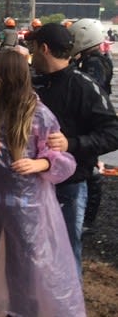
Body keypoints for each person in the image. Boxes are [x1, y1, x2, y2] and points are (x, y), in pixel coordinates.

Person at [0, 49, 85, 317]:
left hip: (26, 208)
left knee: (23, 270)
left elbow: (61, 159)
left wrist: (39, 163)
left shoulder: (39, 114)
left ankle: (19, 312)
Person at [19, 23, 118, 277]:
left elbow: (112, 133)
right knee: (30, 251)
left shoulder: (84, 86)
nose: (30, 54)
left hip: (68, 187)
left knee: (64, 252)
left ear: (44, 49)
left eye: (33, 47)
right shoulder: (34, 83)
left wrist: (71, 144)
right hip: (31, 183)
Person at [69, 19, 114, 232]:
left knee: (91, 168)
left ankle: (88, 220)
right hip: (93, 116)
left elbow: (90, 88)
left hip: (91, 118)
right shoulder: (94, 59)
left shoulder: (93, 62)